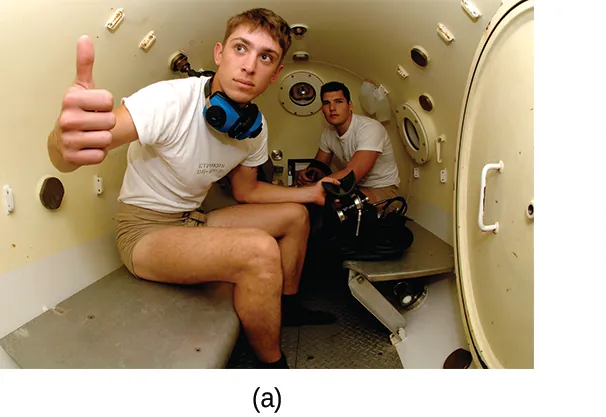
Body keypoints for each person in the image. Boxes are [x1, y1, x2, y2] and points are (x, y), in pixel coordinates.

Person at [47, 8, 337, 369]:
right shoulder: (169, 100)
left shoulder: (254, 129)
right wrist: (64, 143)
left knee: (295, 217)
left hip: (193, 220)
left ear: (276, 73)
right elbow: (82, 145)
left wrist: (311, 193)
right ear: (219, 53)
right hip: (144, 233)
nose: (249, 66)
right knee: (259, 251)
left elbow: (248, 191)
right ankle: (272, 367)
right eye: (240, 49)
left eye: (266, 57)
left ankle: (285, 307)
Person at [293, 81, 401, 204]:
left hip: (381, 189)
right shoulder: (328, 133)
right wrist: (307, 175)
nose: (332, 108)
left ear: (350, 105)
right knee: (314, 201)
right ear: (322, 109)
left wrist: (308, 189)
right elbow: (320, 166)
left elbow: (352, 174)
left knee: (341, 203)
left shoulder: (369, 128)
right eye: (326, 103)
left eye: (338, 102)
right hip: (352, 188)